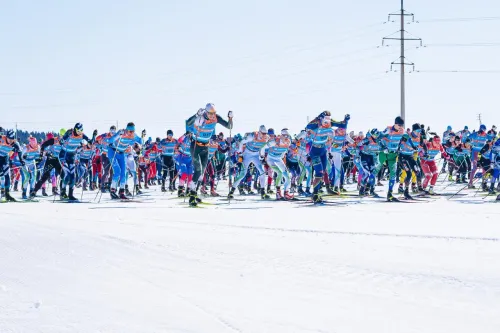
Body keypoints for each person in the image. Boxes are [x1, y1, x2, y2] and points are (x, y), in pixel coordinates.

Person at [185, 104, 233, 204]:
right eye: (210, 113)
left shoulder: (216, 118)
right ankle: (192, 196)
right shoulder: (200, 117)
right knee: (198, 170)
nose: (212, 115)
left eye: (214, 113)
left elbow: (229, 126)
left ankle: (195, 193)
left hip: (205, 147)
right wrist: (195, 115)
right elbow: (188, 122)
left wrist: (230, 118)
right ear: (206, 112)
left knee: (202, 174)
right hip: (195, 146)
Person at [106, 122, 143, 199]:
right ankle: (112, 191)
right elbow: (110, 141)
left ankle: (121, 192)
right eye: (130, 131)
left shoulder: (134, 135)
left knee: (124, 172)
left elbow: (140, 141)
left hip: (122, 153)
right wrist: (117, 136)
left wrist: (141, 139)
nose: (131, 133)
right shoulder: (121, 132)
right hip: (113, 152)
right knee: (117, 171)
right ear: (127, 130)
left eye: (133, 131)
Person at [0, 129, 25, 202]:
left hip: (5, 158)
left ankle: (7, 194)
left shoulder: (15, 143)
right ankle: (2, 194)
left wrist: (21, 160)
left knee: (7, 176)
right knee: (1, 176)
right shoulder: (1, 139)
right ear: (6, 136)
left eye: (12, 139)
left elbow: (20, 152)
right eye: (9, 138)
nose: (10, 140)